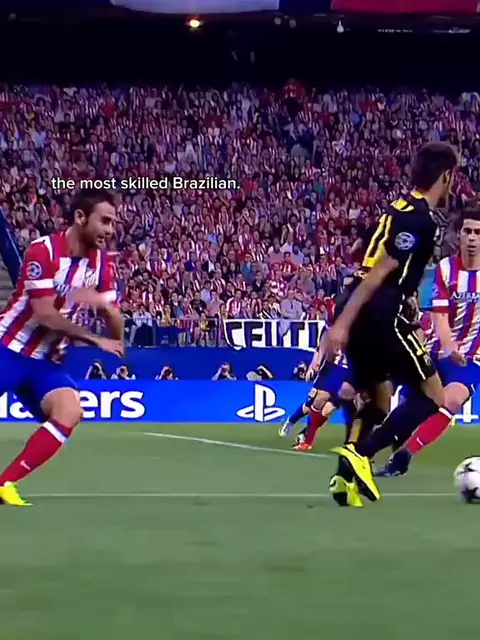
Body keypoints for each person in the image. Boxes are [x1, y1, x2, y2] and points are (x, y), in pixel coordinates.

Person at [325, 141, 458, 508]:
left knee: (378, 400)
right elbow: (380, 272)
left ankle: (344, 479)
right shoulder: (420, 219)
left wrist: (344, 316)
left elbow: (362, 253)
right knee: (434, 397)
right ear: (446, 176)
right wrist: (341, 325)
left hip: (360, 303)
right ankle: (361, 455)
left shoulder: (398, 208)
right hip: (382, 311)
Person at [0, 188, 124, 506]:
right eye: (105, 221)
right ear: (80, 217)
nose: (110, 230)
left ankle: (4, 484)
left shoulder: (100, 263)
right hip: (8, 348)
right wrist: (93, 338)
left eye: (113, 223)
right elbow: (44, 314)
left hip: (43, 362)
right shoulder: (43, 251)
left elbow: (115, 329)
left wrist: (109, 311)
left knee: (69, 410)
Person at [376, 209, 480, 477]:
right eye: (468, 231)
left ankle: (403, 457)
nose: (472, 238)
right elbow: (439, 314)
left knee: (452, 401)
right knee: (412, 406)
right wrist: (449, 345)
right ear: (459, 234)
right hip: (437, 349)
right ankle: (366, 450)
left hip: (472, 357)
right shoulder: (445, 268)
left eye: (478, 233)